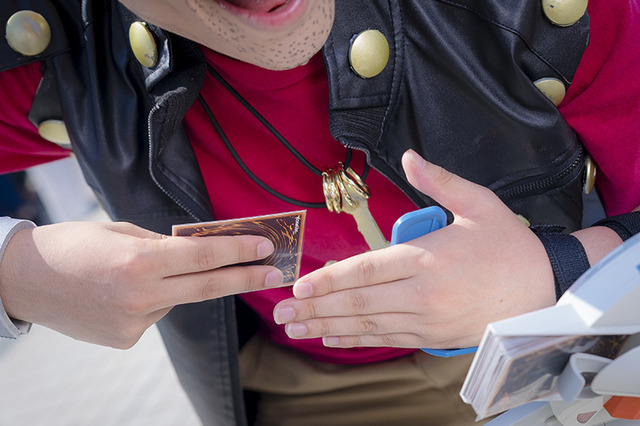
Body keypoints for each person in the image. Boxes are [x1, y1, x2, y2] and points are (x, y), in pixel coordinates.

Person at [0, 0, 638, 424]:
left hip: (573, 356)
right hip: (310, 392)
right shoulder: (65, 58)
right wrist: (15, 272)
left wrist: (562, 267)